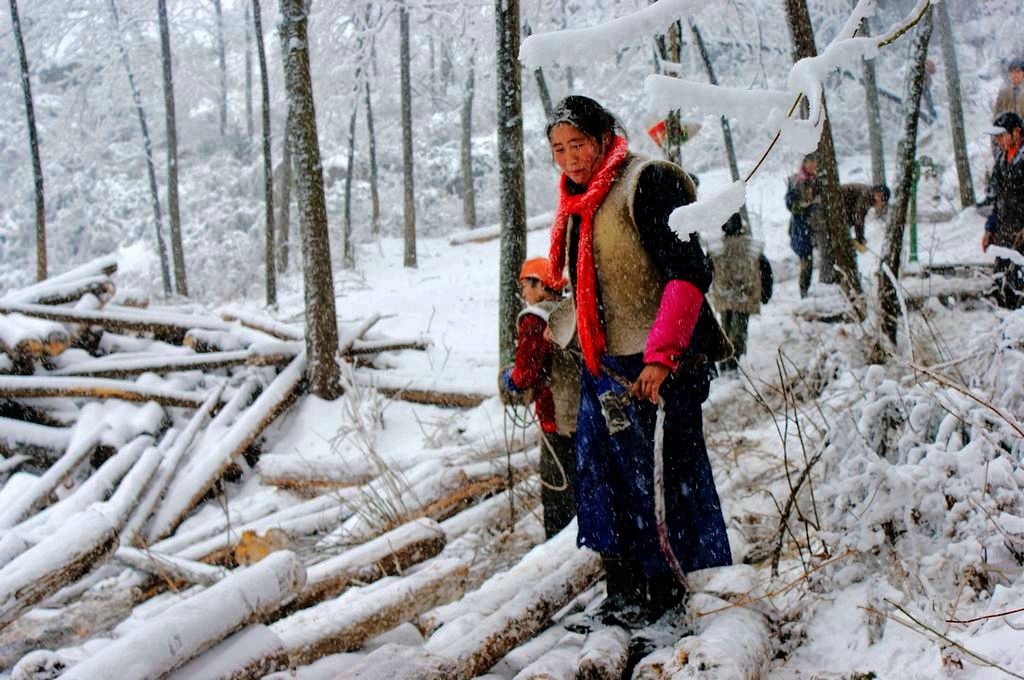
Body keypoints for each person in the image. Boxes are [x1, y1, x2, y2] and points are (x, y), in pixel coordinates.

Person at [542, 95, 732, 626]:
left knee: (669, 486)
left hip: (659, 369)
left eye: (576, 144)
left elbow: (688, 272)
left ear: (605, 137)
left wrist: (662, 358)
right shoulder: (577, 202)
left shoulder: (648, 183)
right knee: (604, 482)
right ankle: (626, 593)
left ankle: (684, 599)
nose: (569, 158)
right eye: (558, 149)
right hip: (604, 368)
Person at [500, 257, 580, 538]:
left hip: (555, 415)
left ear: (541, 285)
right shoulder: (572, 309)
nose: (523, 294)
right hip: (584, 411)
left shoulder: (535, 320)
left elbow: (526, 374)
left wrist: (511, 378)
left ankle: (558, 543)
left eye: (526, 285)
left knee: (556, 486)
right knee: (582, 480)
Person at [708, 213, 773, 373]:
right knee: (739, 331)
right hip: (745, 296)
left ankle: (725, 361)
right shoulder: (751, 246)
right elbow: (766, 271)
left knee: (725, 329)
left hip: (723, 296)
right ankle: (733, 361)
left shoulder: (716, 247)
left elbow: (706, 271)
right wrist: (766, 293)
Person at [982, 111, 1024, 308]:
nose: (998, 141)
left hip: (1021, 232)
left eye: (1001, 135)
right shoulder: (1001, 161)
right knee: (1001, 284)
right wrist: (990, 228)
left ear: (1016, 132)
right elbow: (997, 199)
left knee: (1019, 284)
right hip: (1005, 231)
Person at [785, 154, 822, 298]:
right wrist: (797, 203)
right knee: (806, 263)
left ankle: (821, 288)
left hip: (818, 226)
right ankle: (804, 292)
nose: (813, 168)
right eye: (810, 165)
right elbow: (789, 204)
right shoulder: (795, 181)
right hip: (801, 228)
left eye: (815, 165)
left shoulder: (820, 180)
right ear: (804, 165)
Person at [840, 182, 890, 250]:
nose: (881, 205)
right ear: (880, 195)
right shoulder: (867, 195)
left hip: (842, 205)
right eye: (882, 202)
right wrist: (860, 238)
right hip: (834, 202)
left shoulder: (869, 195)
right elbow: (858, 216)